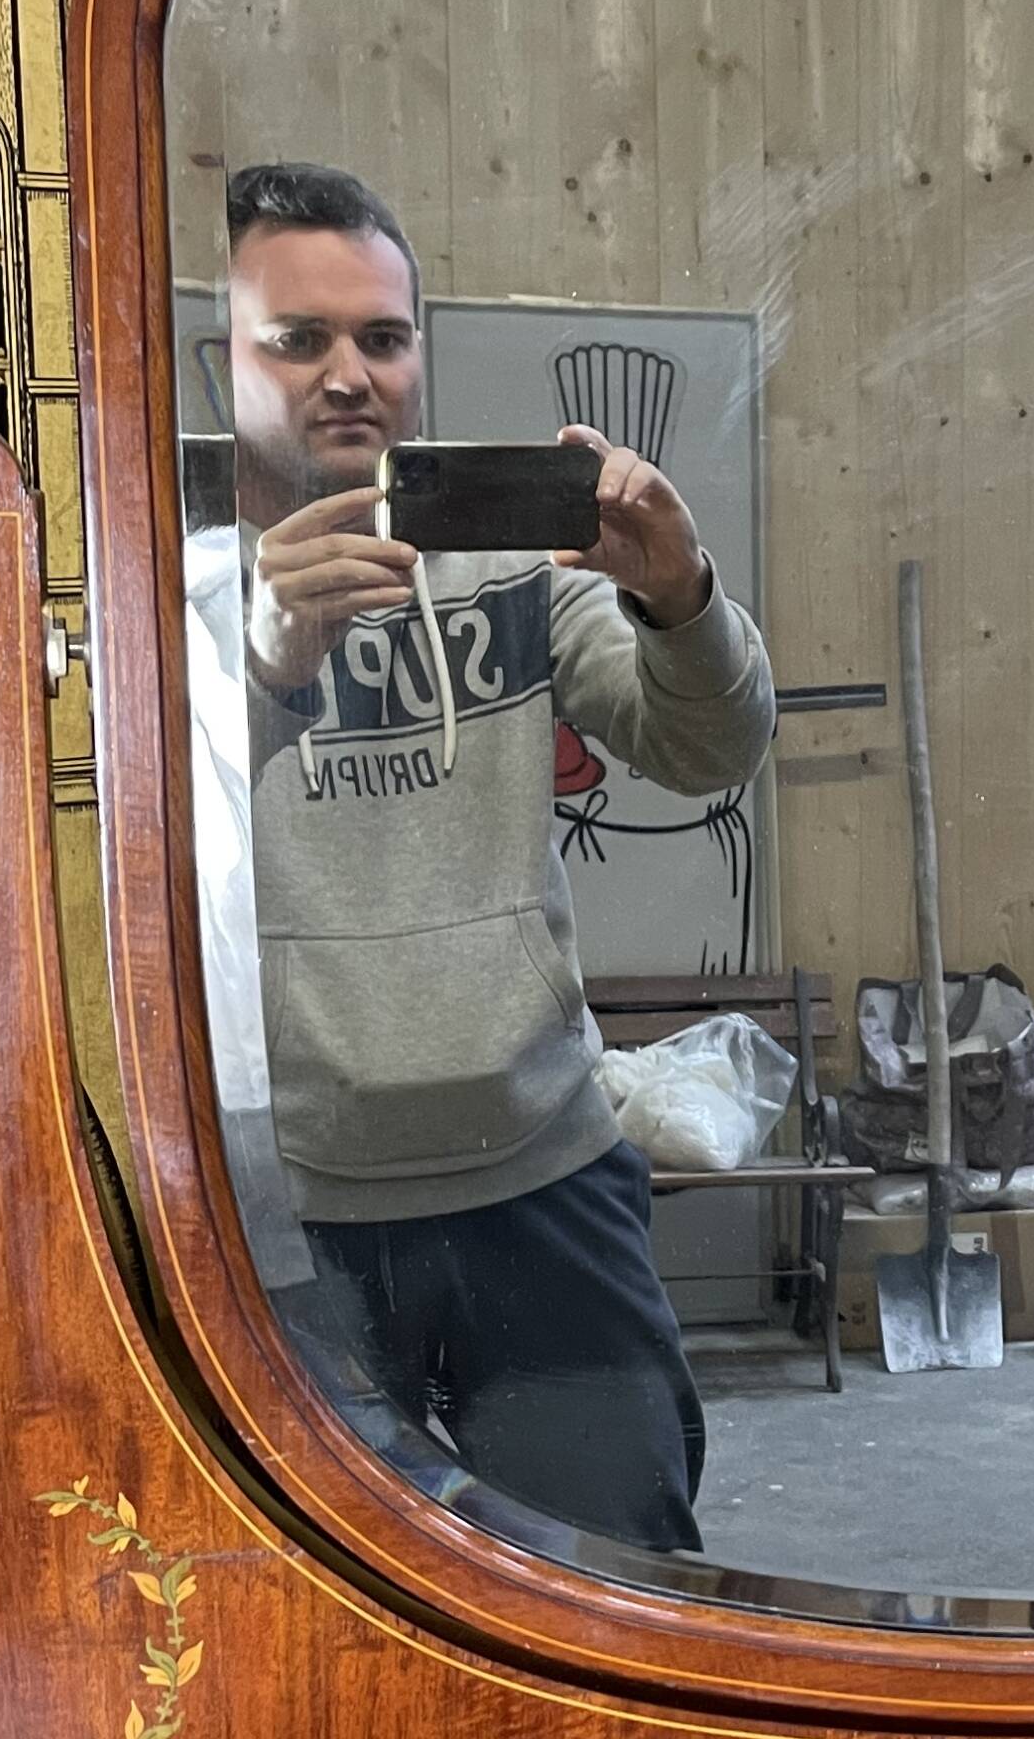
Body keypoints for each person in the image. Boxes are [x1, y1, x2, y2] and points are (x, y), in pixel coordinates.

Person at [202, 161, 773, 1553]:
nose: (351, 374)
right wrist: (268, 675)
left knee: (625, 1578)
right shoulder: (173, 590)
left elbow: (707, 751)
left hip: (539, 1179)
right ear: (227, 360)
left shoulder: (507, 564)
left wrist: (681, 597)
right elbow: (122, 847)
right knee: (339, 1608)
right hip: (285, 1210)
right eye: (299, 339)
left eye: (383, 339)